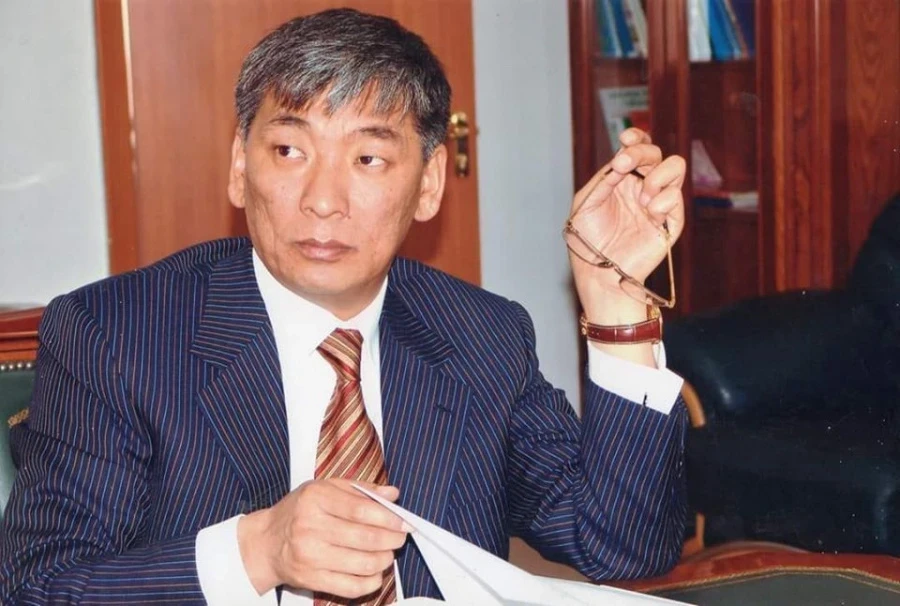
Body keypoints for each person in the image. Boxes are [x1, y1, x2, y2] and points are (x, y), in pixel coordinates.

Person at [0, 8, 687, 605]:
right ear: (240, 167)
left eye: (368, 160)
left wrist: (616, 305)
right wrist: (257, 550)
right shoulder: (116, 335)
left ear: (429, 185)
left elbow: (622, 547)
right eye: (289, 150)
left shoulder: (481, 335)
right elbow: (37, 589)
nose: (323, 200)